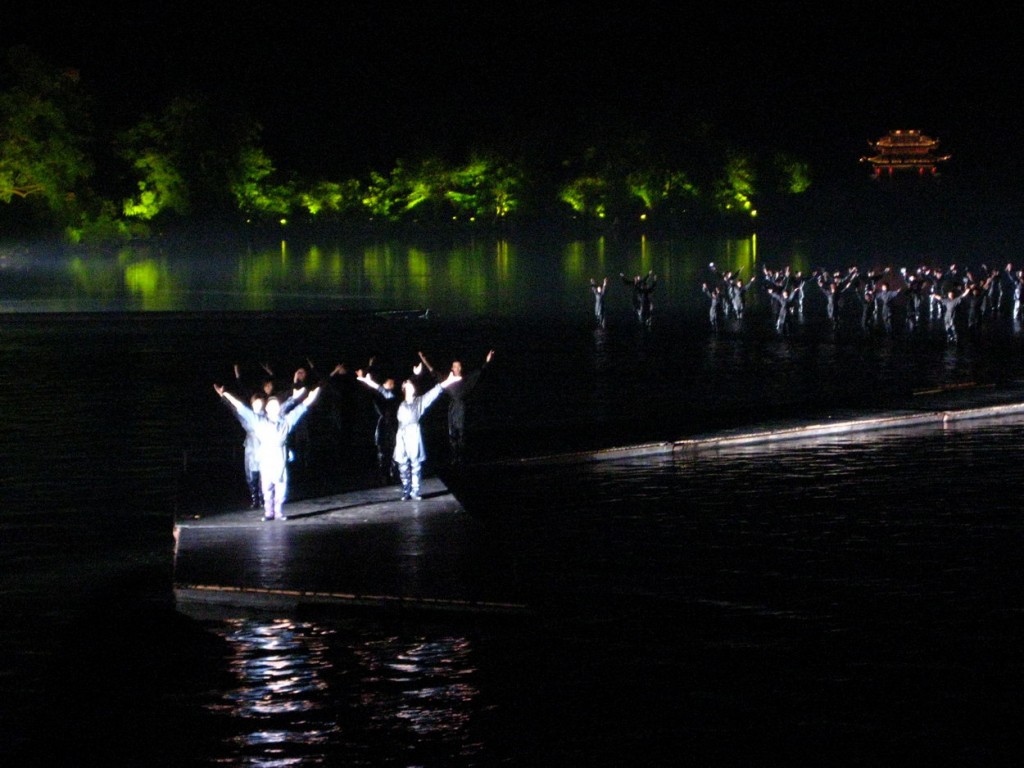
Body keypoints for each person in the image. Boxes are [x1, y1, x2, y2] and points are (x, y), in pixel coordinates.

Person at [215, 382, 321, 520]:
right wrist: (226, 395)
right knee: (267, 487)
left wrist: (310, 398)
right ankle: (268, 512)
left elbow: (300, 409)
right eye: (271, 405)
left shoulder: (286, 421)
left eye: (276, 405)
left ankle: (278, 512)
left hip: (279, 458)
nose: (274, 407)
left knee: (281, 487)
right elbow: (240, 408)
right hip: (265, 458)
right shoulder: (258, 421)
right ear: (267, 408)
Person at [359, 367, 458, 500]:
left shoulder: (420, 402)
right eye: (409, 386)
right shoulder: (397, 401)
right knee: (403, 464)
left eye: (412, 386)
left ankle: (415, 491)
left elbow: (436, 391)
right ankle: (406, 490)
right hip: (402, 435)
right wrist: (369, 382)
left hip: (414, 434)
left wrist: (449, 381)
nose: (412, 388)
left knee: (416, 464)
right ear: (404, 388)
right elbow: (381, 390)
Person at [418, 349, 495, 465]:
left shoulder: (466, 380)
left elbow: (480, 371)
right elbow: (433, 372)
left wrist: (487, 361)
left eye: (459, 366)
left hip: (462, 408)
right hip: (452, 408)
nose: (457, 368)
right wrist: (424, 360)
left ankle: (462, 457)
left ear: (461, 368)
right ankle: (455, 457)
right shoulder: (449, 380)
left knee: (461, 433)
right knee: (452, 434)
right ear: (452, 369)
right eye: (455, 366)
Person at [354, 365, 400, 486]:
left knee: (393, 451)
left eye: (393, 384)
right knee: (383, 452)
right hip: (383, 427)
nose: (392, 386)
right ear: (385, 384)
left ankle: (391, 474)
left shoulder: (393, 397)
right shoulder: (377, 397)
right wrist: (367, 380)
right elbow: (377, 391)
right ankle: (384, 475)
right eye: (390, 384)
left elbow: (383, 392)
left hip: (393, 427)